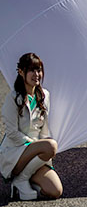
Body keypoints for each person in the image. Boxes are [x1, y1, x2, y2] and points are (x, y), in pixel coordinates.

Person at [0, 53, 62, 200]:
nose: (37, 74)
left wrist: (41, 151)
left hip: (36, 153)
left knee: (55, 191)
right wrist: (36, 146)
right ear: (21, 72)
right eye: (32, 70)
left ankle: (25, 180)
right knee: (51, 146)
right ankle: (20, 179)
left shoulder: (45, 96)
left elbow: (44, 131)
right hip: (15, 153)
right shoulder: (13, 98)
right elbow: (12, 133)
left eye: (39, 70)